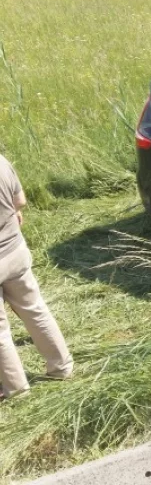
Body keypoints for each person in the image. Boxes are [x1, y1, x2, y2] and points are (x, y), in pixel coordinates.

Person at [0, 154, 72, 400]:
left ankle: (17, 391)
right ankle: (61, 368)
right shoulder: (1, 161)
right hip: (15, 252)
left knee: (0, 333)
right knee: (35, 309)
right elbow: (20, 200)